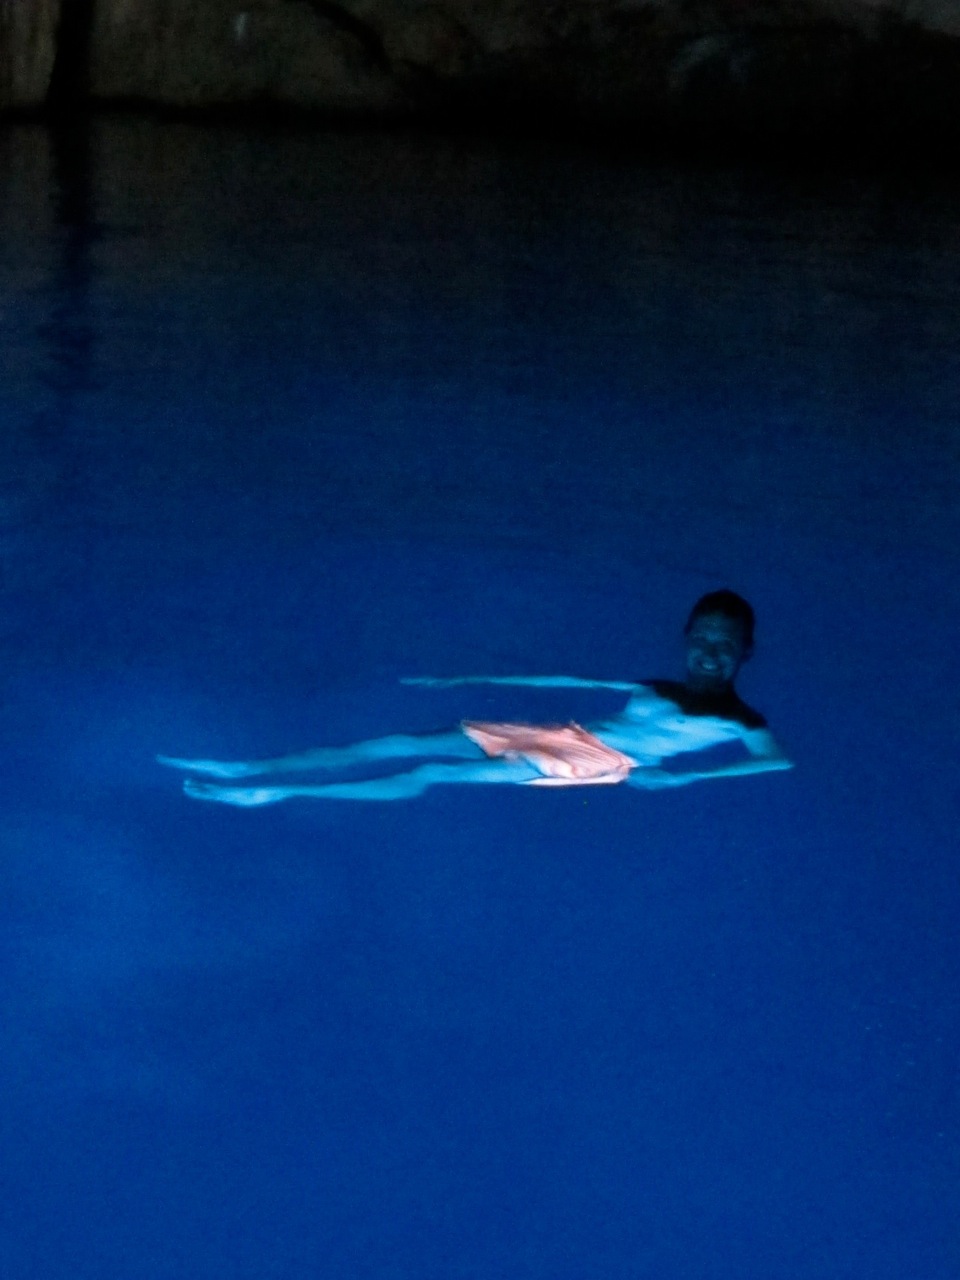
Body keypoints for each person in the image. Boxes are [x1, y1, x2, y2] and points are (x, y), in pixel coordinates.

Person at [158, 590, 792, 805]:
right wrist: (461, 681)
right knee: (401, 740)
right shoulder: (657, 687)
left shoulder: (739, 717)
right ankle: (247, 767)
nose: (710, 651)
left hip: (601, 763)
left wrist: (683, 777)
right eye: (702, 638)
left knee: (430, 771)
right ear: (687, 639)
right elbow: (567, 681)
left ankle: (276, 793)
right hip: (566, 734)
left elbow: (776, 760)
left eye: (725, 643)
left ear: (746, 652)